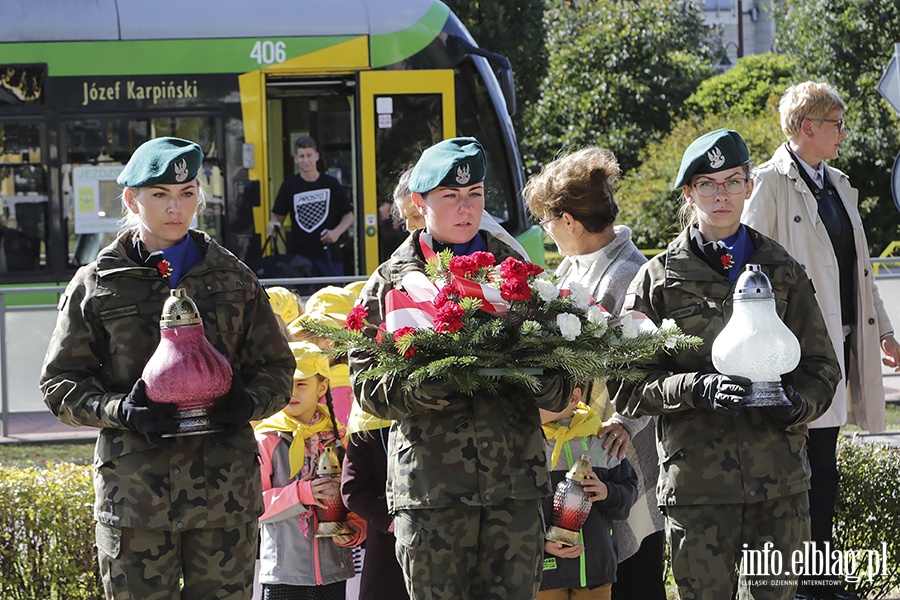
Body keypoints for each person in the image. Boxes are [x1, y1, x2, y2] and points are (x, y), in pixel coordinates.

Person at [39, 136, 295, 599]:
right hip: (136, 500)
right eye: (160, 194)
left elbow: (277, 369)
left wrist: (247, 403)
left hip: (225, 495)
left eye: (187, 193)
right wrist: (121, 410)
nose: (176, 208)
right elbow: (60, 385)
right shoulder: (97, 284)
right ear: (132, 199)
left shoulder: (235, 279)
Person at [614, 129, 841, 600]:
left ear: (749, 187)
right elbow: (627, 384)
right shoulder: (656, 280)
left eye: (733, 181)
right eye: (707, 184)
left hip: (778, 484)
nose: (722, 195)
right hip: (698, 488)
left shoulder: (783, 270)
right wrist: (694, 389)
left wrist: (795, 404)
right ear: (688, 193)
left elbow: (821, 366)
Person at [348, 136, 573, 600]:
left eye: (475, 196)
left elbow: (562, 383)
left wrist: (527, 369)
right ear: (420, 203)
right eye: (450, 197)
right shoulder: (393, 282)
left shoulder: (518, 276)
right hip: (433, 495)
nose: (465, 208)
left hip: (515, 491)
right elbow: (369, 388)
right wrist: (435, 382)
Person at [743, 81, 900, 600]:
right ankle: (809, 580)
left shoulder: (839, 185)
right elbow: (746, 271)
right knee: (804, 468)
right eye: (835, 123)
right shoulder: (767, 184)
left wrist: (887, 332)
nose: (842, 133)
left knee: (824, 465)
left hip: (842, 348)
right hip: (797, 355)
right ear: (807, 127)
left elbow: (860, 272)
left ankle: (819, 577)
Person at [523, 146, 666, 600]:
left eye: (547, 221)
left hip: (618, 461)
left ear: (570, 222)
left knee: (634, 581)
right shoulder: (567, 269)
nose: (546, 232)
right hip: (575, 458)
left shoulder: (631, 273)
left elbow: (652, 364)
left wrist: (628, 421)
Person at [254, 341, 366, 600]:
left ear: (322, 386)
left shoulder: (339, 438)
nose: (292, 391)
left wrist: (355, 528)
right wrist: (302, 493)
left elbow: (354, 494)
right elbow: (252, 506)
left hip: (333, 572)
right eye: (287, 382)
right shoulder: (267, 439)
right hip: (284, 574)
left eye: (302, 383)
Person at [538, 382, 638, 600]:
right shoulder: (528, 444)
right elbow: (515, 509)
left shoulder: (602, 440)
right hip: (545, 574)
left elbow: (629, 494)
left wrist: (607, 492)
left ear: (573, 396)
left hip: (596, 573)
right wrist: (540, 543)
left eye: (541, 393)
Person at [268, 136, 353, 278]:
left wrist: (336, 232)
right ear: (296, 158)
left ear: (317, 156)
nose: (305, 160)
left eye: (309, 155)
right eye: (301, 156)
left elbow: (349, 215)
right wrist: (273, 224)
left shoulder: (330, 183)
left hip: (329, 257)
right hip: (299, 260)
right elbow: (278, 216)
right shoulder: (289, 186)